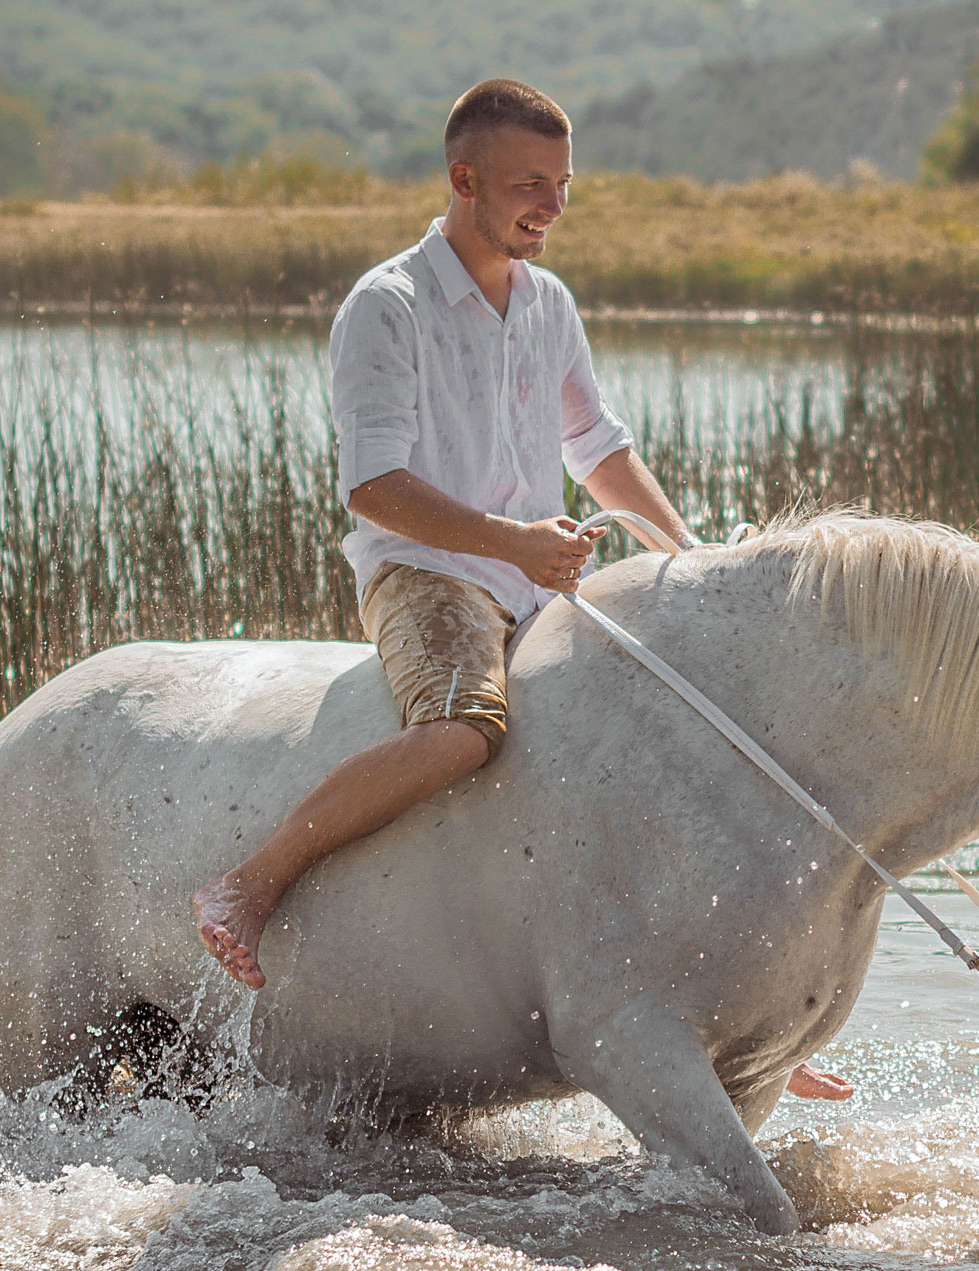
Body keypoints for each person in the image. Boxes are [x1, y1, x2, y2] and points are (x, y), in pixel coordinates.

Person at [193, 79, 852, 1102]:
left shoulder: (549, 303)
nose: (551, 205)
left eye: (562, 184)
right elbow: (373, 484)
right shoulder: (387, 305)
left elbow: (600, 450)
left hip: (539, 579)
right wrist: (513, 543)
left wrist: (688, 558)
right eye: (528, 184)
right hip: (428, 574)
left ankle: (727, 1013)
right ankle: (249, 882)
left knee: (684, 719)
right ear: (464, 180)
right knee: (465, 730)